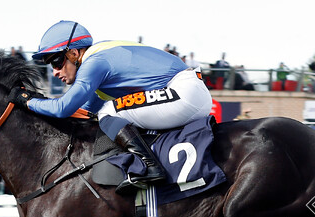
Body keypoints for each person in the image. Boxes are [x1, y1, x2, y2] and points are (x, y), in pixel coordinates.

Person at [13, 20, 213, 194]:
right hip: (190, 91)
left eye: (56, 62)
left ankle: (150, 166)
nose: (55, 72)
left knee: (109, 111)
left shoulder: (94, 63)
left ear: (74, 53)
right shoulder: (99, 61)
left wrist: (27, 101)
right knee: (106, 111)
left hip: (184, 92)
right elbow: (85, 112)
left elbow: (63, 108)